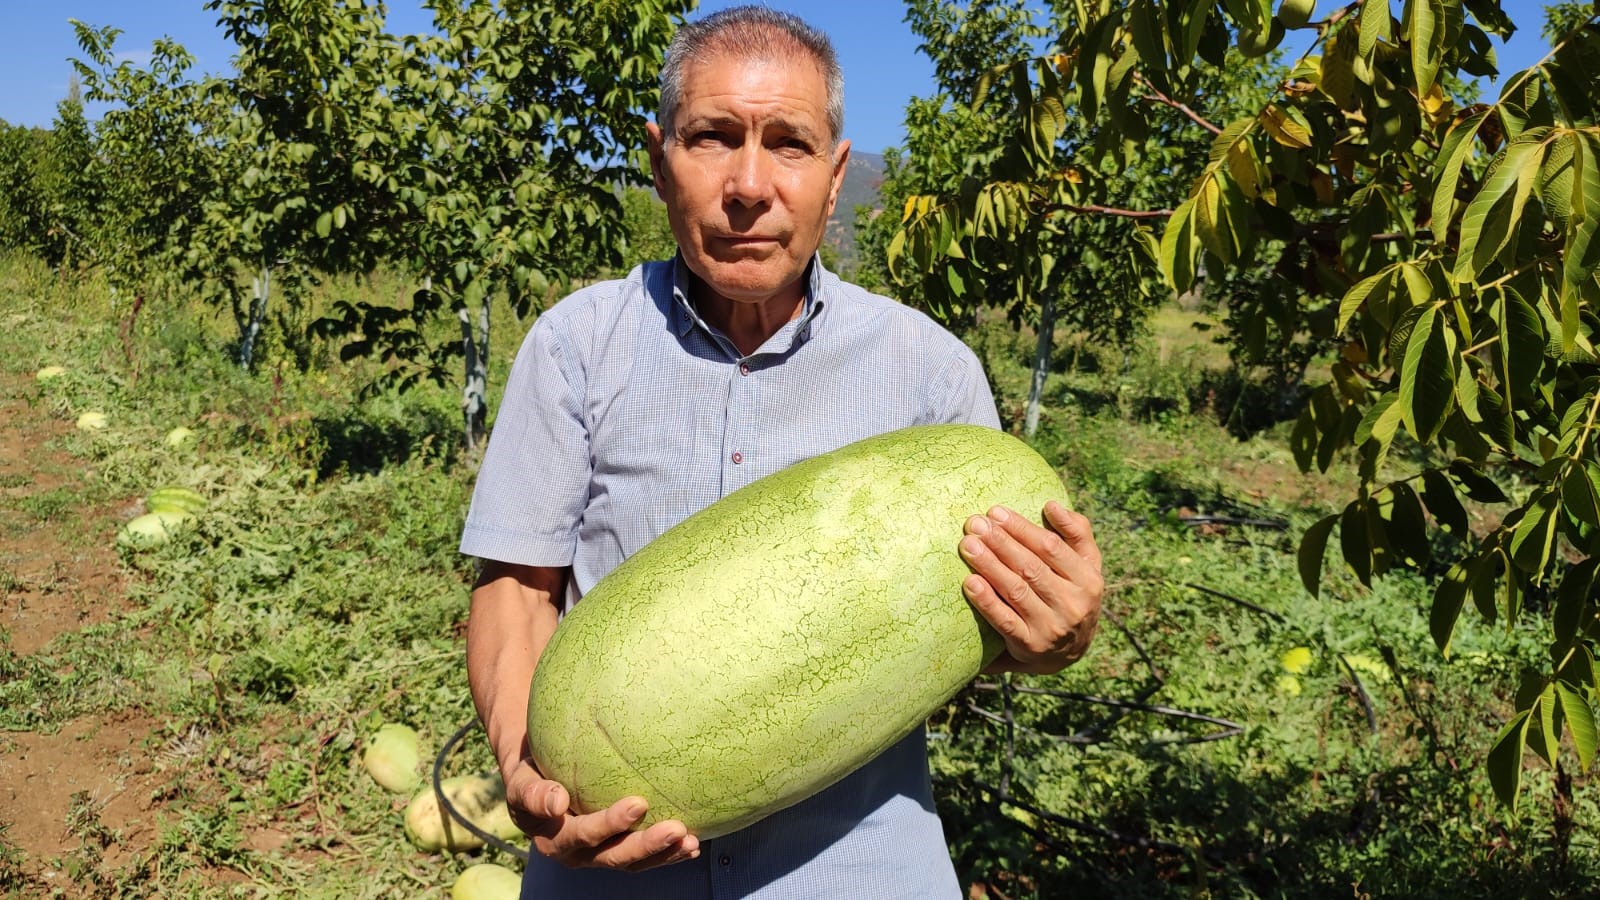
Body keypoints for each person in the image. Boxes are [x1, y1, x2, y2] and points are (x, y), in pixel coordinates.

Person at [460, 6, 1103, 898]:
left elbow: (983, 629)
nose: (750, 183)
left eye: (790, 144)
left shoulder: (931, 375)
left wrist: (1054, 636)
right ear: (658, 159)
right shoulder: (577, 346)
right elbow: (515, 592)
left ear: (835, 176)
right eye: (713, 138)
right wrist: (524, 767)